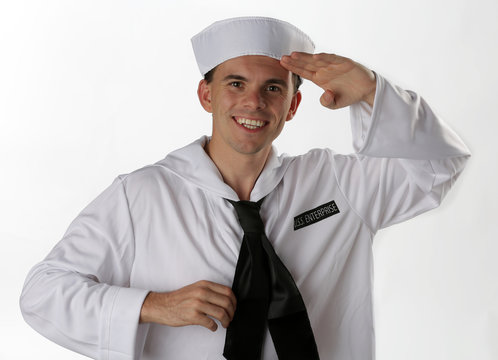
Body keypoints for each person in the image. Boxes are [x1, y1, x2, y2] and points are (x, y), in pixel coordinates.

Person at [20, 16, 470, 360]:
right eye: (236, 83)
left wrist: (374, 91)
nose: (254, 102)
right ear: (207, 95)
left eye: (273, 88)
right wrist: (152, 305)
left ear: (293, 105)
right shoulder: (141, 196)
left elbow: (439, 166)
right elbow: (42, 293)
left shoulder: (338, 184)